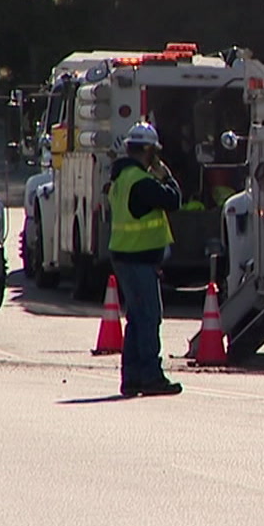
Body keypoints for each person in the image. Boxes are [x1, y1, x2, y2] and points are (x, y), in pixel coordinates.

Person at [109, 123, 184, 397]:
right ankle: (151, 377)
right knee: (149, 318)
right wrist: (167, 177)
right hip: (137, 258)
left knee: (137, 319)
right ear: (149, 151)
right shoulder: (140, 181)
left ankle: (132, 378)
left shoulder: (122, 177)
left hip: (125, 256)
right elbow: (174, 200)